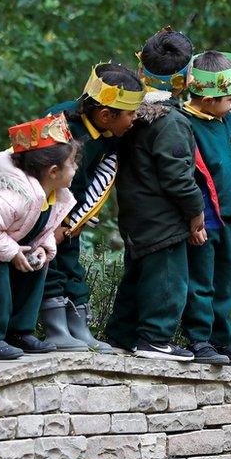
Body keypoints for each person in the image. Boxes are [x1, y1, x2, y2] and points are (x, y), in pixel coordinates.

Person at [102, 27, 204, 361]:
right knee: (168, 280)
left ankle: (122, 333)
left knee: (137, 274)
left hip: (135, 212)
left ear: (141, 69)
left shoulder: (131, 115)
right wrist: (195, 212)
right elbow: (178, 177)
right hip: (164, 220)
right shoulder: (170, 122)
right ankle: (155, 337)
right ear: (186, 77)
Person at [42, 62, 145, 353]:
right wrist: (54, 224)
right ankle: (55, 328)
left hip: (71, 218)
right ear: (104, 115)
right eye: (130, 114)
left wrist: (73, 222)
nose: (134, 120)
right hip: (45, 216)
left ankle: (78, 328)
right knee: (53, 265)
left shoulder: (109, 136)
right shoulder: (60, 123)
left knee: (72, 264)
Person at [0, 114, 77, 359]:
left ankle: (20, 331)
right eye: (73, 163)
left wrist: (42, 248)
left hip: (14, 246)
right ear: (53, 171)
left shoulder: (55, 194)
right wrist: (12, 251)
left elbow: (44, 227)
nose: (77, 168)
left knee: (38, 266)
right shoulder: (15, 193)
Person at [177, 50, 231, 366]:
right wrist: (193, 219)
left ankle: (222, 340)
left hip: (230, 218)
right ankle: (200, 338)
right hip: (203, 219)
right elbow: (186, 176)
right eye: (230, 98)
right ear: (209, 98)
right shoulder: (186, 124)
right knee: (202, 279)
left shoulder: (228, 122)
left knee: (228, 279)